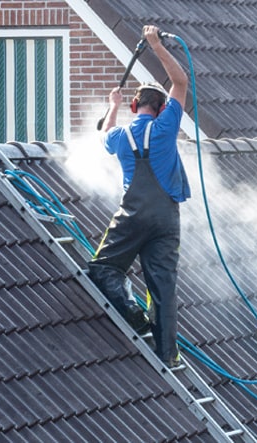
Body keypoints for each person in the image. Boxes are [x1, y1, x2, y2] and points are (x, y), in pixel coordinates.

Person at [88, 24, 189, 368]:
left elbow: (104, 134)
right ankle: (168, 355)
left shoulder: (120, 137)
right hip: (166, 219)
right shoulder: (165, 127)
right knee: (162, 287)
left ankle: (132, 314)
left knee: (103, 268)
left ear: (135, 106)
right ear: (162, 109)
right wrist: (156, 46)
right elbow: (181, 82)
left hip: (132, 215)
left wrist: (112, 105)